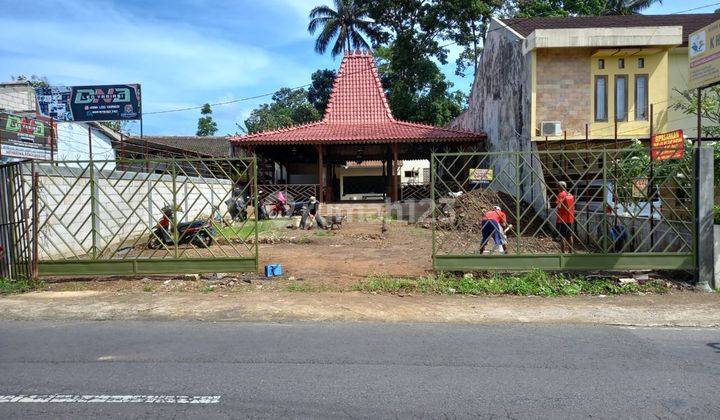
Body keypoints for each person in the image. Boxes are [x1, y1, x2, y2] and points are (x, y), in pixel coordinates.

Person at [555, 181, 575, 253]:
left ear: (561, 187)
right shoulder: (570, 195)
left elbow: (559, 206)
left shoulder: (561, 195)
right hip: (570, 218)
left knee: (562, 236)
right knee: (569, 235)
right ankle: (570, 251)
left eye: (558, 186)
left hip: (562, 219)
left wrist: (557, 209)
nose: (557, 188)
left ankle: (562, 252)